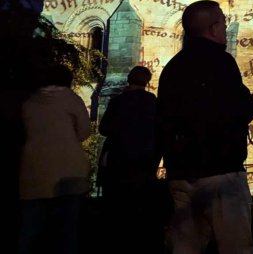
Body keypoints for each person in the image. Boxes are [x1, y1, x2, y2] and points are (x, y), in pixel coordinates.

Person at [156, 0, 253, 254]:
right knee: (235, 245)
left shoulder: (172, 68)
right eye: (223, 23)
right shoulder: (220, 62)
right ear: (213, 29)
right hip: (220, 171)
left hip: (181, 171)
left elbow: (163, 119)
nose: (226, 28)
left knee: (185, 246)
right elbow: (243, 107)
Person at [17, 64, 90, 254]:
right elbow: (84, 132)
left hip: (34, 170)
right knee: (67, 231)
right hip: (69, 171)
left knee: (29, 229)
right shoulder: (72, 100)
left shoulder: (29, 102)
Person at [98, 65, 167, 253]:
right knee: (141, 207)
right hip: (144, 161)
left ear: (129, 79)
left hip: (119, 161)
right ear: (147, 82)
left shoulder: (118, 102)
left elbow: (104, 128)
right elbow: (161, 131)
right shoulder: (153, 102)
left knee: (117, 207)